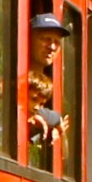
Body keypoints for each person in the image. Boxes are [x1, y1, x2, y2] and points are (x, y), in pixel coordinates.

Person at [27, 11, 70, 162]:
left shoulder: (47, 85)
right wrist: (54, 118)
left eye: (57, 42)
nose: (52, 46)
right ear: (28, 39)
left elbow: (65, 155)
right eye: (45, 39)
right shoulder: (15, 79)